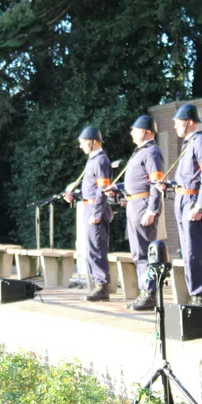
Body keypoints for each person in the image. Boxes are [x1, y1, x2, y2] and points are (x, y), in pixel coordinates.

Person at [108, 115, 164, 311]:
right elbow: (137, 180)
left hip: (143, 204)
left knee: (145, 252)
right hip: (134, 203)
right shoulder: (139, 152)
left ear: (147, 131)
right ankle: (145, 291)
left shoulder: (152, 152)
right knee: (137, 253)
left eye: (135, 129)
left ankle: (149, 293)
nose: (131, 133)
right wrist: (119, 188)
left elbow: (157, 184)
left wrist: (152, 209)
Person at [165, 104, 202, 307]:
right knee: (187, 250)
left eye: (178, 122)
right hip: (183, 200)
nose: (176, 126)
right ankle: (194, 293)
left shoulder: (201, 143)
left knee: (195, 250)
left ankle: (200, 296)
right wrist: (168, 185)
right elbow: (189, 177)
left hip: (193, 202)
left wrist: (201, 205)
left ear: (189, 122)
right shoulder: (189, 143)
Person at [66, 127, 113, 302]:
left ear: (93, 142)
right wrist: (76, 195)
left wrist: (98, 212)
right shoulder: (93, 160)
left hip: (95, 210)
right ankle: (98, 284)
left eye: (82, 142)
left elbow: (102, 189)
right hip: (90, 207)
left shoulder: (101, 161)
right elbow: (92, 190)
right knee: (92, 249)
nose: (80, 146)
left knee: (97, 249)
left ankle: (102, 286)